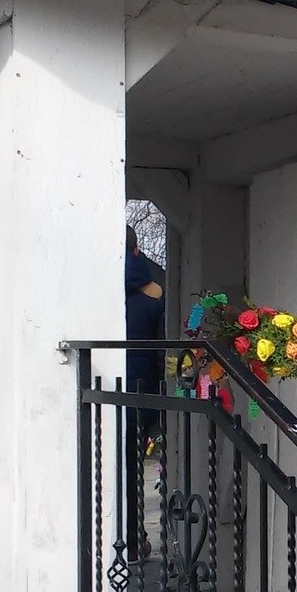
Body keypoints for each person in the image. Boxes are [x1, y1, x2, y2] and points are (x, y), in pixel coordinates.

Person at [125, 225, 165, 562]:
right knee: (132, 469)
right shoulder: (153, 296)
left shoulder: (89, 290)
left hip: (98, 388)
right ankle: (134, 541)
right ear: (137, 250)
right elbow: (158, 354)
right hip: (139, 394)